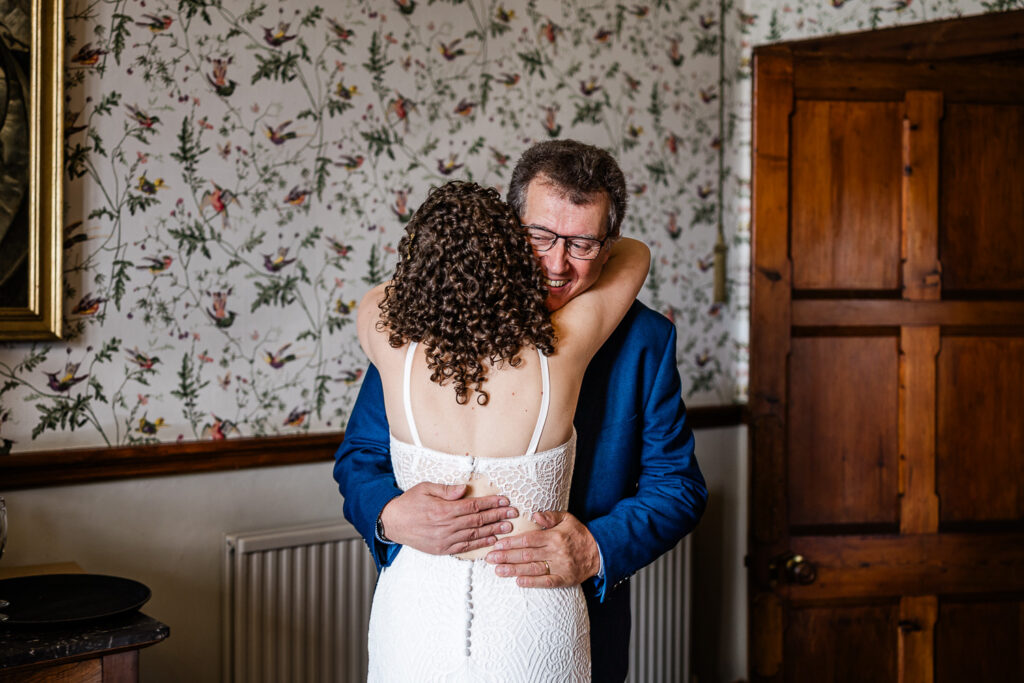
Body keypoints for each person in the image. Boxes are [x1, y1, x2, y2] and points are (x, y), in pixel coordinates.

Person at [334, 140, 708, 682]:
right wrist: (390, 515)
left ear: (608, 246)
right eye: (540, 236)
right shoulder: (428, 324)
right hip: (428, 620)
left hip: (568, 623)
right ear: (509, 232)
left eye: (582, 243)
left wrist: (595, 549)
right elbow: (360, 456)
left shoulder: (646, 339)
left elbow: (679, 486)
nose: (557, 264)